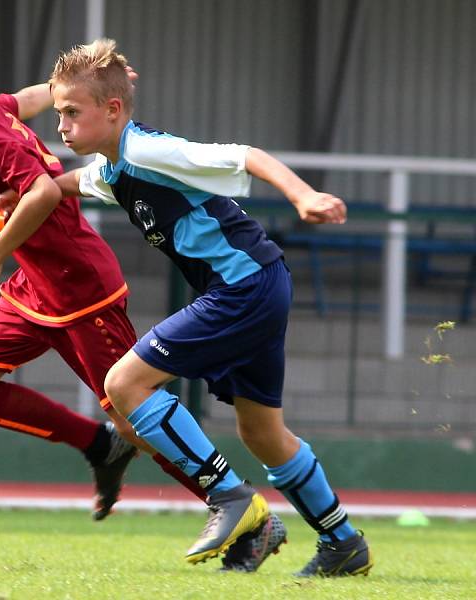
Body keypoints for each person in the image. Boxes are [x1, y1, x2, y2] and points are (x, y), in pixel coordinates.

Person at [40, 38, 374, 576]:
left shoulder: (148, 150)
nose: (61, 125)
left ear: (113, 110)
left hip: (245, 286)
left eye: (72, 113)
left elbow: (250, 158)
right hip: (260, 283)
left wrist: (302, 196)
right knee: (261, 432)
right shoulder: (113, 169)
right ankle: (343, 542)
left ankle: (229, 497)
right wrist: (30, 193)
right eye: (58, 113)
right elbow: (70, 183)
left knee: (124, 384)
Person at [0, 19, 212, 522]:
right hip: (37, 287)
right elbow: (27, 98)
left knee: (137, 417)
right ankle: (98, 446)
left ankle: (235, 506)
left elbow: (44, 191)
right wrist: (69, 82)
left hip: (82, 286)